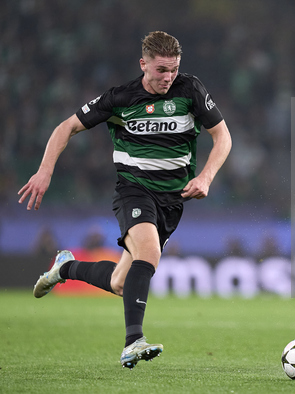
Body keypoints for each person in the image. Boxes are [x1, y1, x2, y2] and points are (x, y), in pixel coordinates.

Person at [18, 31, 232, 369]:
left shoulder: (190, 90)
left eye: (174, 69)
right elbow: (66, 128)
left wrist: (206, 176)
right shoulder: (120, 99)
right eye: (162, 70)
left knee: (120, 283)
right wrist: (44, 171)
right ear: (143, 64)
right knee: (149, 253)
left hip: (172, 200)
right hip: (134, 190)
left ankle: (64, 268)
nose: (169, 77)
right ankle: (133, 342)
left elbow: (222, 136)